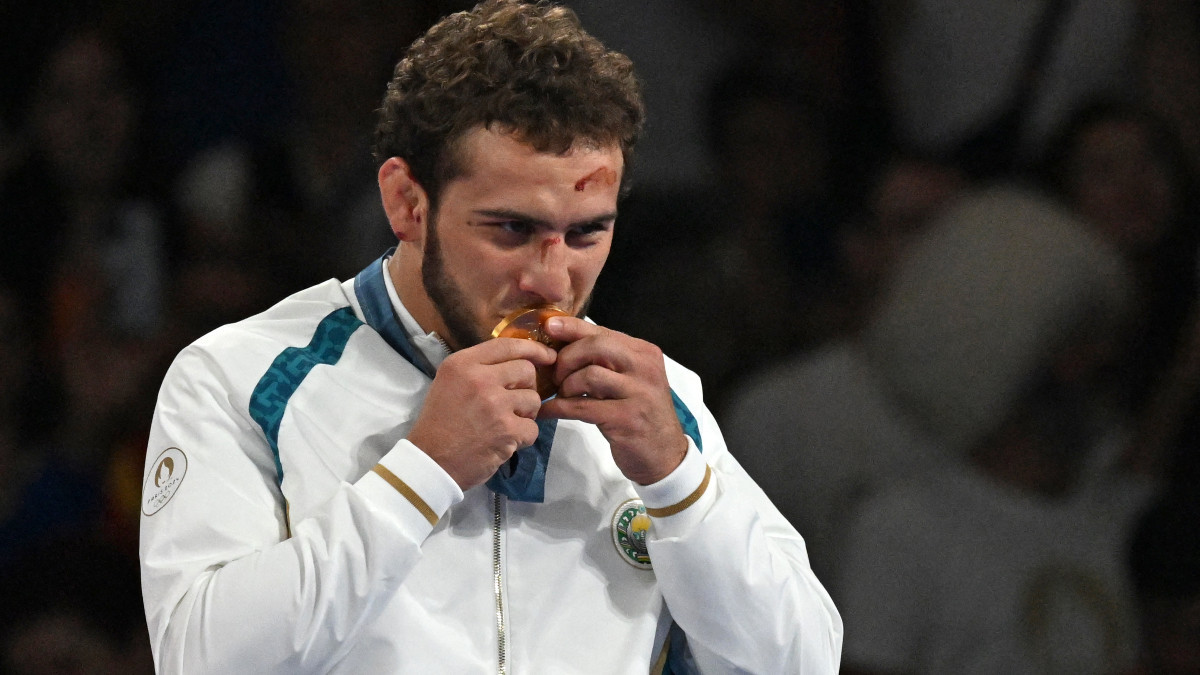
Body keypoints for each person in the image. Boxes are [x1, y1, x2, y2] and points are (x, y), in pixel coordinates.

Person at [138, 2, 842, 673]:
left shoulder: (660, 404)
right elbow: (198, 658)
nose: (552, 276)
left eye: (587, 231)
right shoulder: (241, 377)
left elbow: (801, 661)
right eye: (513, 229)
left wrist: (679, 480)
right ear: (406, 203)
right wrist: (423, 470)